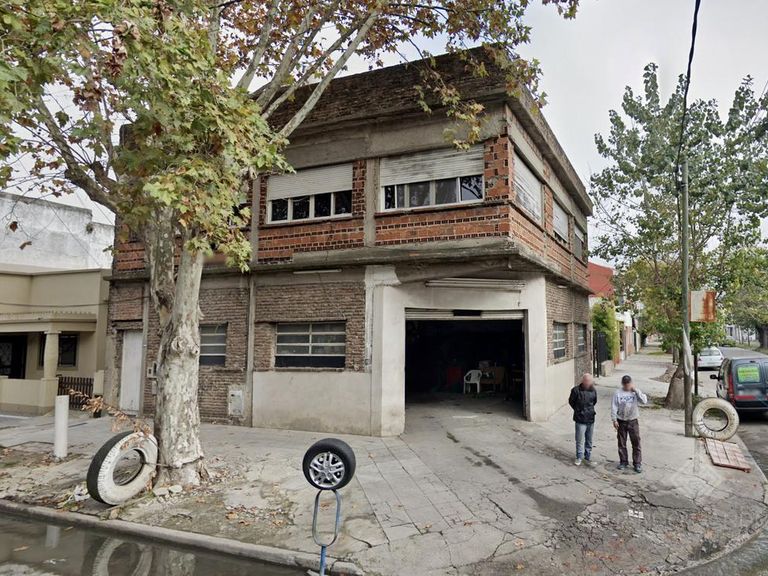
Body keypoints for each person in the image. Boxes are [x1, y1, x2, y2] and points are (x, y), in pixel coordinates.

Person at [611, 375, 648, 473]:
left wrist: (636, 391)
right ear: (623, 384)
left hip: (633, 420)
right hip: (621, 420)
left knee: (636, 442)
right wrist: (614, 420)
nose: (627, 386)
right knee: (621, 443)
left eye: (629, 384)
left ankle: (637, 463)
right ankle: (623, 461)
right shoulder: (618, 393)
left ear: (631, 383)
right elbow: (614, 406)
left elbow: (644, 401)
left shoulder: (635, 392)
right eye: (625, 385)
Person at [568, 373, 597, 466]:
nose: (589, 383)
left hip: (590, 418)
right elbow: (571, 401)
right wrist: (578, 410)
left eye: (590, 381)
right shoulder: (576, 390)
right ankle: (579, 457)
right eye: (587, 381)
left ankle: (588, 456)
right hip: (580, 419)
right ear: (583, 381)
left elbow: (594, 401)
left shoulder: (593, 390)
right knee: (580, 440)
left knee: (589, 440)